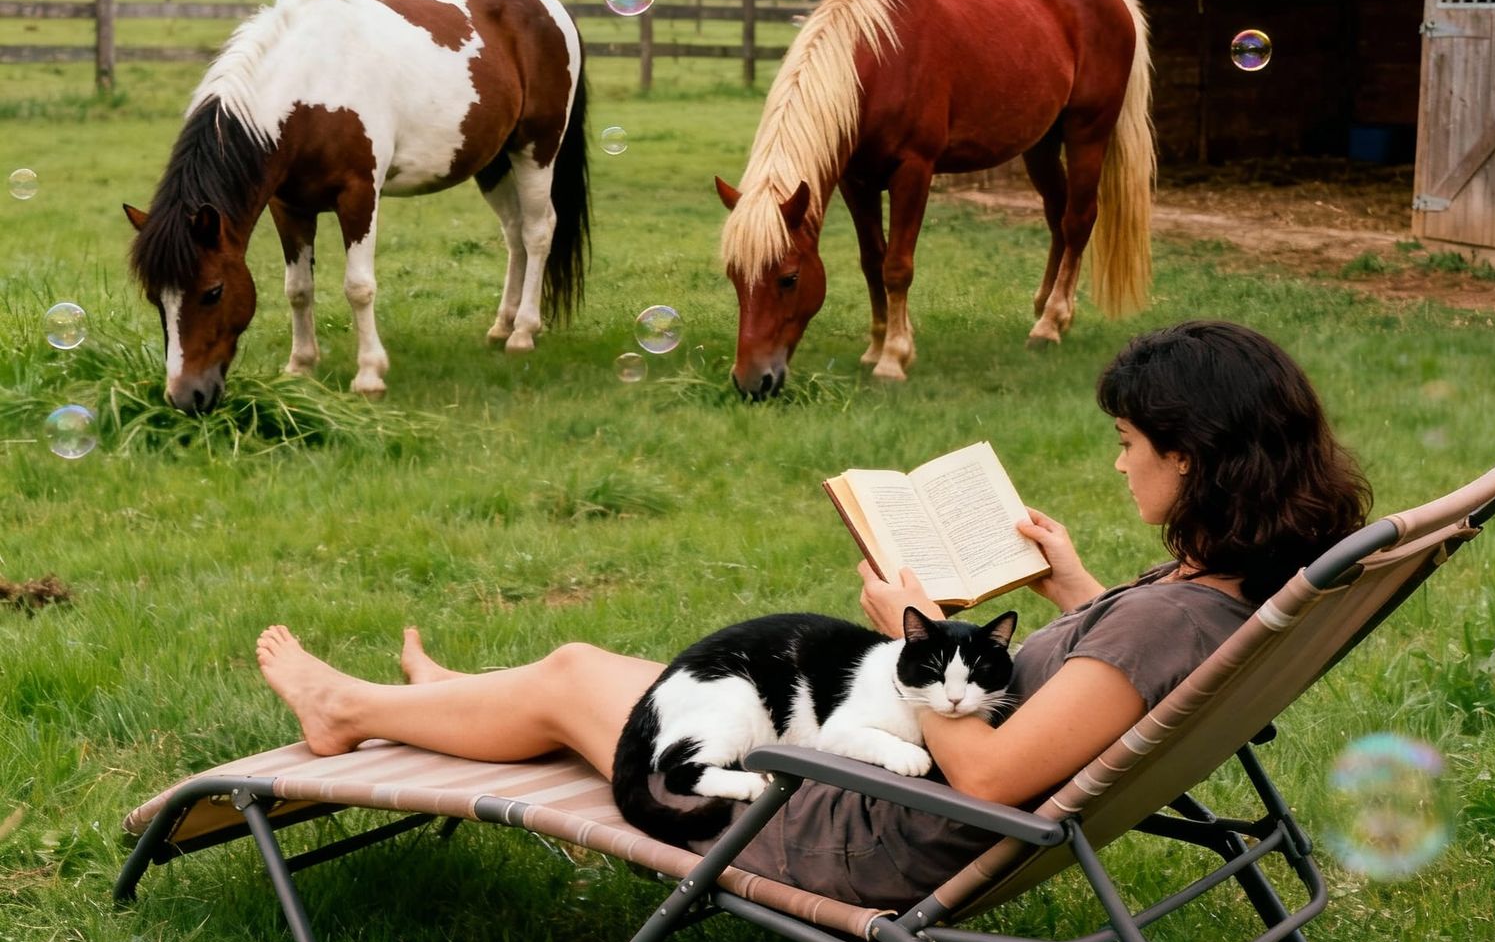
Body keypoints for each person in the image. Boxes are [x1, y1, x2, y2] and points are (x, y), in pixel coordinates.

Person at [257, 320, 1370, 910]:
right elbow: (1127, 673)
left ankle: (348, 710)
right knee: (599, 664)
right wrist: (1070, 588)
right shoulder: (1226, 596)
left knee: (569, 674)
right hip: (885, 771)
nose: (1118, 464)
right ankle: (446, 699)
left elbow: (984, 778)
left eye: (1128, 446)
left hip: (863, 823)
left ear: (1191, 457)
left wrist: (907, 641)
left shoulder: (1170, 628)